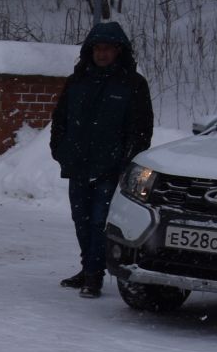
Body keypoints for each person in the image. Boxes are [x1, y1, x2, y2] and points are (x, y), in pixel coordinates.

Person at [50, 20, 153, 298]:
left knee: (99, 222)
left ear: (119, 51)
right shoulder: (78, 81)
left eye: (108, 48)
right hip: (79, 163)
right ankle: (88, 268)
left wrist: (127, 161)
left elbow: (141, 128)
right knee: (81, 220)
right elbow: (60, 118)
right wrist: (59, 149)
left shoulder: (132, 84)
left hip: (111, 167)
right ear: (90, 50)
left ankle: (95, 275)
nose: (102, 54)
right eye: (98, 48)